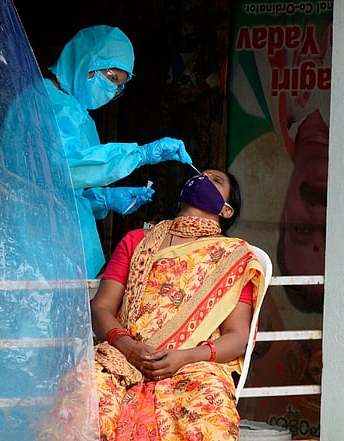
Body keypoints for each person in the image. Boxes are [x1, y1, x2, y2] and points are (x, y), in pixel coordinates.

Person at [89, 169, 266, 439]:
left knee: (209, 416)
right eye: (201, 175)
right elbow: (101, 307)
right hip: (122, 355)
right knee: (84, 400)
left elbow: (238, 336)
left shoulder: (234, 258)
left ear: (227, 210)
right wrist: (129, 347)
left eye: (216, 180)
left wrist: (183, 357)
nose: (204, 179)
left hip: (194, 364)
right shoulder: (137, 242)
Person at [28, 25, 194, 278]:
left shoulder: (77, 113)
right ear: (87, 62)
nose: (113, 90)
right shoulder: (45, 103)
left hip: (65, 246)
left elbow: (69, 192)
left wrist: (103, 198)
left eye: (118, 86)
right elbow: (62, 169)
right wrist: (140, 155)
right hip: (38, 244)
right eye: (111, 78)